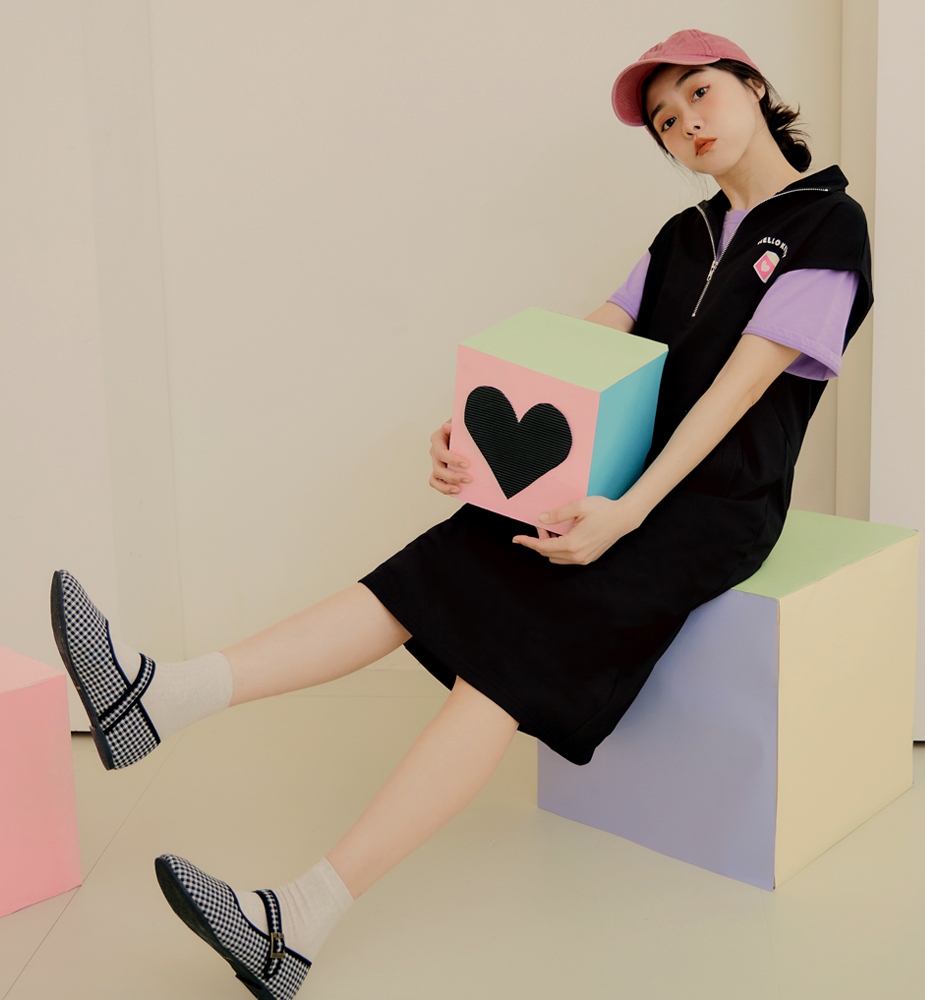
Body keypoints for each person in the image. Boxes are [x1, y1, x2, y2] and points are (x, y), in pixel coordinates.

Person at [50, 28, 873, 1000]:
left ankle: (298, 919)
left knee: (513, 654)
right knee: (449, 554)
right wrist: (483, 422)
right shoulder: (681, 235)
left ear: (752, 85)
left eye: (698, 93)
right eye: (663, 119)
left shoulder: (828, 224)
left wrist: (624, 513)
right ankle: (162, 696)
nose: (684, 122)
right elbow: (587, 343)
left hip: (712, 506)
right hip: (615, 480)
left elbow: (739, 393)